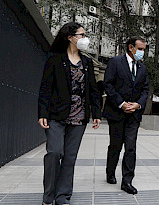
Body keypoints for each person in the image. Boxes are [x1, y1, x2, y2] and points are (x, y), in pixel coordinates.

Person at [38, 22, 101, 205]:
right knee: (54, 152)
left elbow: (93, 90)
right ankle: (48, 195)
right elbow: (45, 88)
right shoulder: (55, 59)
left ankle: (63, 196)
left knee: (69, 158)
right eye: (81, 35)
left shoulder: (87, 62)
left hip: (79, 117)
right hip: (56, 115)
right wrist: (42, 112)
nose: (84, 38)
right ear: (70, 37)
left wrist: (96, 113)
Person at [103, 36, 149, 195]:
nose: (142, 52)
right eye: (140, 49)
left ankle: (127, 181)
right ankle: (110, 172)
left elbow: (145, 90)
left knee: (130, 148)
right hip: (116, 112)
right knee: (115, 145)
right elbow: (107, 85)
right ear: (131, 47)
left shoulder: (142, 68)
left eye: (144, 49)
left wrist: (138, 104)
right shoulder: (115, 62)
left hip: (134, 115)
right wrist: (121, 104)